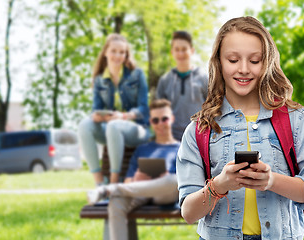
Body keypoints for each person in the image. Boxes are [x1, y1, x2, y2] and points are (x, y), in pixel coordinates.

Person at [176, 16, 304, 240]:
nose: (243, 69)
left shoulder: (295, 119)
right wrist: (220, 185)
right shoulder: (199, 130)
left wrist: (272, 181)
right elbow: (189, 213)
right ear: (219, 62)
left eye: (255, 60)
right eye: (232, 59)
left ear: (266, 62)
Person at [87, 99, 180, 240]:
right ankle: (112, 190)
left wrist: (164, 177)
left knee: (174, 180)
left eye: (164, 119)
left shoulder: (181, 148)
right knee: (116, 202)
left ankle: (109, 189)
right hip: (140, 192)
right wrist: (136, 178)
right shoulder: (142, 149)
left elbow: (185, 181)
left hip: (165, 194)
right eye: (155, 120)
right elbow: (128, 182)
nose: (160, 124)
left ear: (171, 119)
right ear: (151, 122)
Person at [78, 33, 150, 185]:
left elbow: (144, 110)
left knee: (113, 125)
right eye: (114, 51)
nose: (118, 55)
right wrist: (97, 116)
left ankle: (113, 182)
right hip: (111, 129)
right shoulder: (99, 79)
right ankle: (99, 181)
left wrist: (123, 116)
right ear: (105, 52)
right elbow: (95, 109)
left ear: (126, 55)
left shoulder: (137, 75)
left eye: (122, 52)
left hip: (138, 129)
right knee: (85, 124)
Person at [156, 30, 208, 141]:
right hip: (171, 139)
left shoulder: (203, 78)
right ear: (172, 52)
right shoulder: (165, 80)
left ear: (192, 51)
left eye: (184, 49)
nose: (180, 53)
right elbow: (158, 113)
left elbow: (213, 109)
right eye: (177, 50)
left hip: (197, 138)